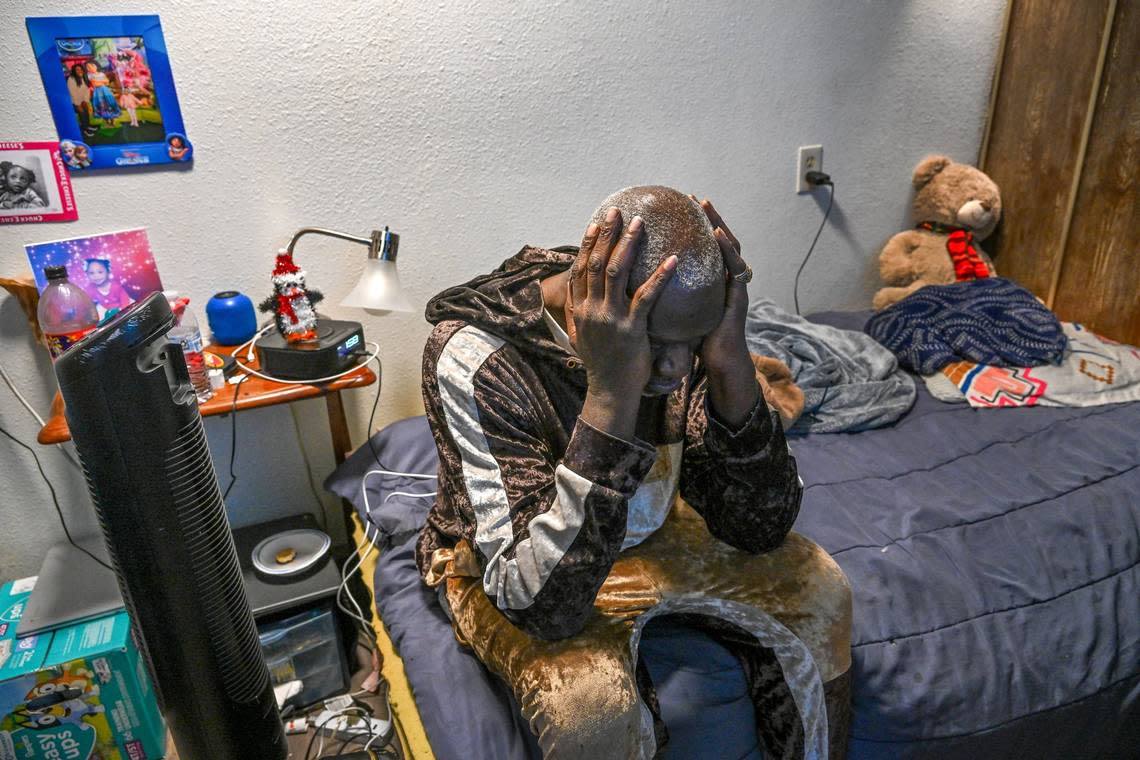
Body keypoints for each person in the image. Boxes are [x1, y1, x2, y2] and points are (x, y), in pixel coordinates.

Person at [416, 186, 851, 758]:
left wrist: (728, 363)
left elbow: (759, 527)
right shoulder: (476, 354)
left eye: (691, 344)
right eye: (659, 345)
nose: (674, 369)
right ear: (580, 309)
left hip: (650, 533)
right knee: (587, 708)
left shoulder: (680, 339)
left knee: (823, 595)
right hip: (524, 567)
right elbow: (542, 607)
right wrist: (612, 389)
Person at [65, 63, 95, 137]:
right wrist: (77, 104)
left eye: (81, 69)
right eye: (77, 70)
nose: (79, 71)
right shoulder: (71, 79)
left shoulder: (84, 77)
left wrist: (85, 101)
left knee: (86, 110)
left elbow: (86, 90)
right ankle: (85, 130)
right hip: (74, 102)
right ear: (74, 71)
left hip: (82, 100)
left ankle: (88, 126)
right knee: (82, 112)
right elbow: (72, 93)